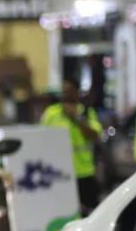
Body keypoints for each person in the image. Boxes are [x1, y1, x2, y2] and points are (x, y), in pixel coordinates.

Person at [39, 77, 103, 216]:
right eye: (64, 92)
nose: (66, 95)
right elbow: (41, 139)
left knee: (91, 215)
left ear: (77, 93)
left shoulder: (86, 112)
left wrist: (77, 118)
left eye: (69, 91)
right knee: (62, 215)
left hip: (84, 173)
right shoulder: (52, 113)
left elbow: (95, 136)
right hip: (59, 173)